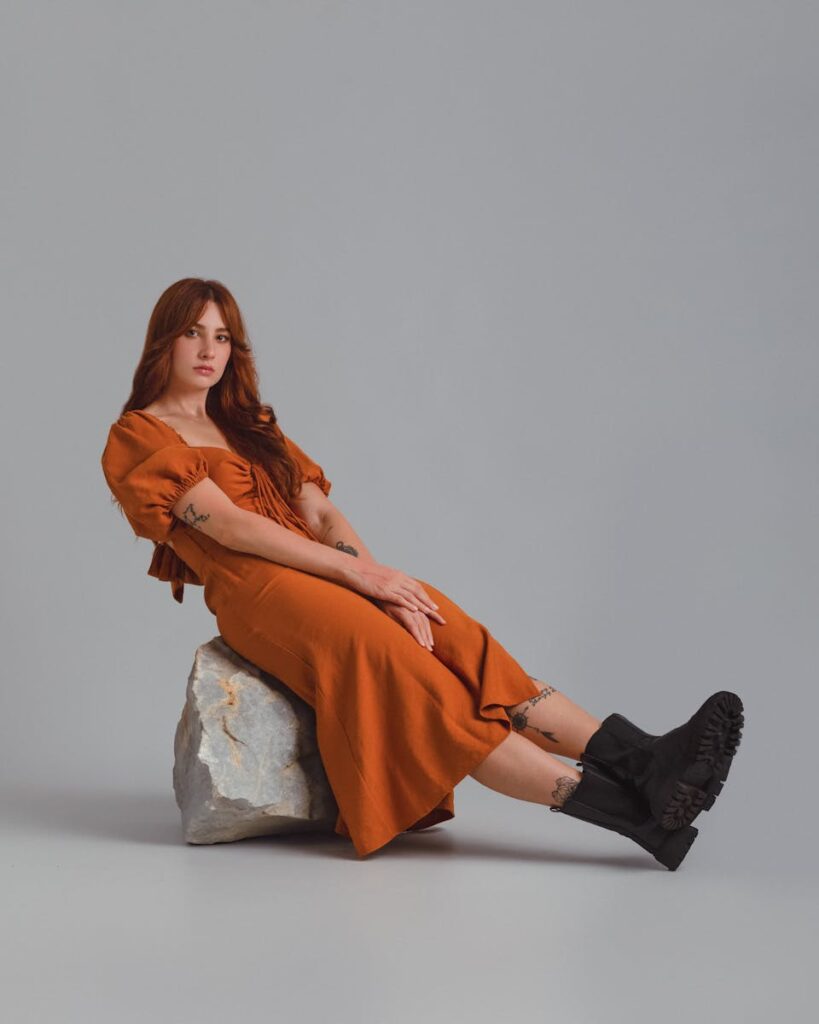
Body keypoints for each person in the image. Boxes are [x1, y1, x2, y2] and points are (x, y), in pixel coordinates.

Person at [101, 277, 744, 869]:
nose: (208, 350)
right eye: (193, 332)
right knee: (421, 686)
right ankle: (638, 816)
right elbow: (233, 527)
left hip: (327, 574)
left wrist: (385, 584)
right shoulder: (140, 435)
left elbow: (321, 512)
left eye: (222, 336)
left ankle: (650, 764)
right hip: (261, 591)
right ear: (166, 338)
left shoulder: (251, 425)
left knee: (451, 634)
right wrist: (362, 584)